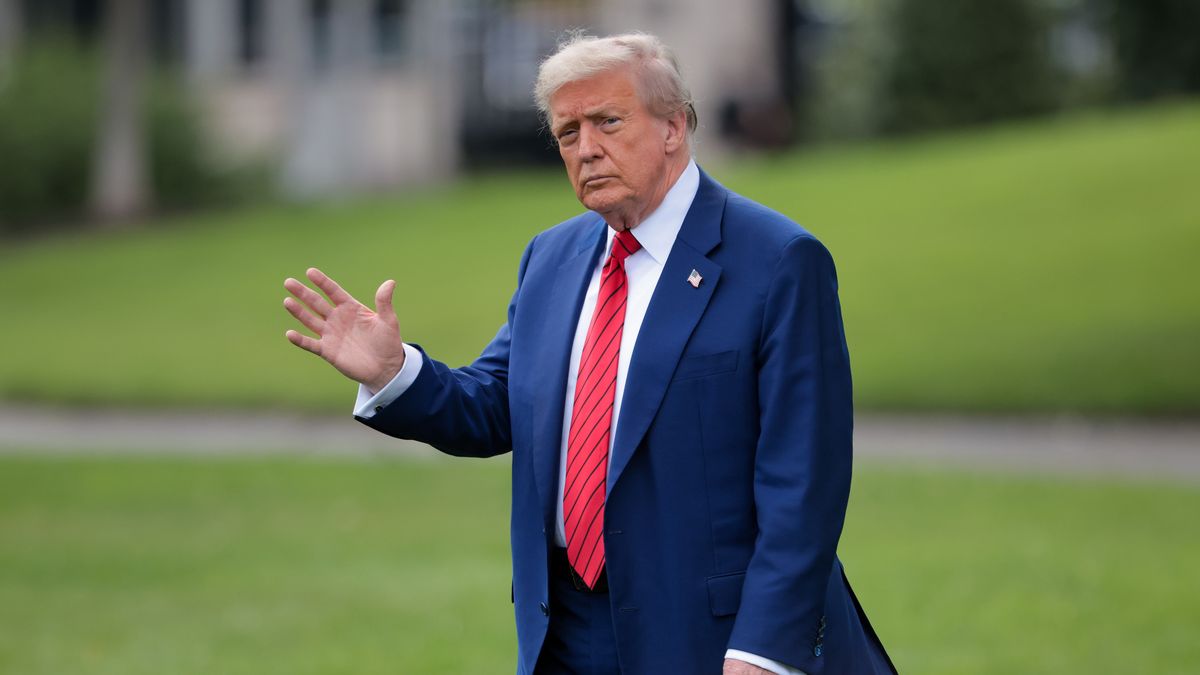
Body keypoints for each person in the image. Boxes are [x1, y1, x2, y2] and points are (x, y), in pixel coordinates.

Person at [283, 32, 895, 675]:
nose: (587, 149)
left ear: (674, 127)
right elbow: (498, 404)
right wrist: (394, 372)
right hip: (566, 633)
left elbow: (804, 482)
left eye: (608, 121)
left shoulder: (777, 261)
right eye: (568, 132)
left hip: (717, 640)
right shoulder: (552, 257)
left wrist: (763, 652)